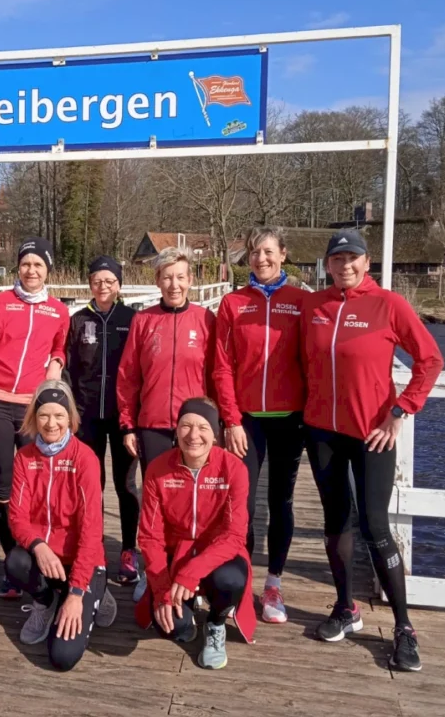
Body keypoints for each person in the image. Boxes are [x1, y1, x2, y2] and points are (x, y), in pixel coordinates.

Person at [302, 229, 443, 673]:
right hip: (322, 430)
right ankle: (346, 608)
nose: (345, 265)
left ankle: (404, 627)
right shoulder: (314, 306)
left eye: (353, 258)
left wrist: (401, 409)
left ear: (366, 263)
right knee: (335, 521)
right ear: (326, 265)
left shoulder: (388, 305)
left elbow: (430, 359)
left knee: (375, 524)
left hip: (371, 433)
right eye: (337, 258)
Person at [212, 227, 307, 624]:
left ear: (283, 254)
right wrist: (231, 419)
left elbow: (317, 360)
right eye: (254, 252)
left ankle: (274, 583)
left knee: (280, 501)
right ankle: (243, 582)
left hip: (290, 419)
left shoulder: (302, 301)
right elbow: (221, 366)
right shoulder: (233, 303)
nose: (260, 259)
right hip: (246, 421)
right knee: (243, 505)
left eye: (268, 252)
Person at [0, 237, 69, 599]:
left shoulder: (58, 310)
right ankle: (13, 564)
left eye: (38, 265)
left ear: (47, 271)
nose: (31, 270)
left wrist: (58, 362)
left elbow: (59, 346)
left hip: (32, 408)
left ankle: (36, 554)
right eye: (26, 264)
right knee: (3, 487)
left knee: (36, 484)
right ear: (18, 268)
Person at [136, 398, 255, 671]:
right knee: (172, 626)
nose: (193, 435)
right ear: (176, 431)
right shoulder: (158, 468)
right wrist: (163, 590)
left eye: (203, 427)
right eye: (186, 426)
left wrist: (192, 572)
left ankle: (215, 622)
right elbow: (149, 537)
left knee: (231, 579)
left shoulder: (234, 468)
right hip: (175, 553)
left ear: (215, 433)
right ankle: (184, 608)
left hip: (218, 554)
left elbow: (235, 535)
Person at [6, 381, 117, 671]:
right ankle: (45, 602)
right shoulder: (25, 458)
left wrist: (77, 593)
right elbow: (16, 518)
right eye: (43, 415)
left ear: (70, 419)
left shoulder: (85, 459)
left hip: (84, 562)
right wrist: (38, 546)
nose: (51, 423)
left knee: (62, 657)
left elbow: (92, 532)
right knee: (16, 561)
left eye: (59, 415)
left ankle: (96, 592)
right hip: (48, 560)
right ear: (34, 417)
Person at [65, 255, 140, 585]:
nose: (103, 286)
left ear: (119, 285)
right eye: (97, 281)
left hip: (123, 417)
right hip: (87, 416)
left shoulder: (132, 319)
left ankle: (128, 549)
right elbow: (68, 369)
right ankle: (92, 548)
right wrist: (71, 413)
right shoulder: (79, 320)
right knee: (91, 486)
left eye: (110, 281)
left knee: (125, 485)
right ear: (90, 284)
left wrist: (133, 418)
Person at [117, 247, 216, 470]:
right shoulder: (143, 320)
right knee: (156, 497)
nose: (174, 285)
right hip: (153, 426)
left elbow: (216, 375)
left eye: (180, 277)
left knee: (192, 497)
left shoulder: (206, 320)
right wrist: (128, 425)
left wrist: (216, 423)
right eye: (167, 277)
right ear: (158, 281)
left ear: (190, 280)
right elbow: (128, 377)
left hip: (195, 427)